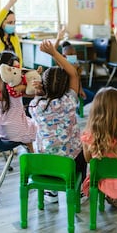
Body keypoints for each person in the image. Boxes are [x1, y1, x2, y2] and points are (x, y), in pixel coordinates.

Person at [28, 38, 86, 204]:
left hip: (45, 162)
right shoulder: (69, 101)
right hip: (69, 160)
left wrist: (39, 91)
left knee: (47, 147)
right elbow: (73, 73)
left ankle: (51, 192)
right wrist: (54, 52)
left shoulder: (35, 106)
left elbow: (40, 98)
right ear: (66, 86)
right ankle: (80, 191)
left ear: (43, 86)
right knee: (81, 151)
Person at [81, 87, 117, 208]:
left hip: (99, 180)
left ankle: (111, 196)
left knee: (104, 166)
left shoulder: (87, 136)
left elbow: (88, 160)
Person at [0, 50, 35, 153]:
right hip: (16, 131)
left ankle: (31, 153)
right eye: (16, 67)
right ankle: (35, 159)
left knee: (30, 121)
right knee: (41, 127)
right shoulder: (14, 86)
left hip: (1, 130)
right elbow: (34, 93)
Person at [61, 40, 94, 106]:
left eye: (74, 54)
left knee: (92, 96)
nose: (73, 56)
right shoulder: (62, 66)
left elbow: (78, 79)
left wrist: (80, 89)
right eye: (70, 54)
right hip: (66, 91)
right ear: (64, 56)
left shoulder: (76, 64)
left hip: (76, 89)